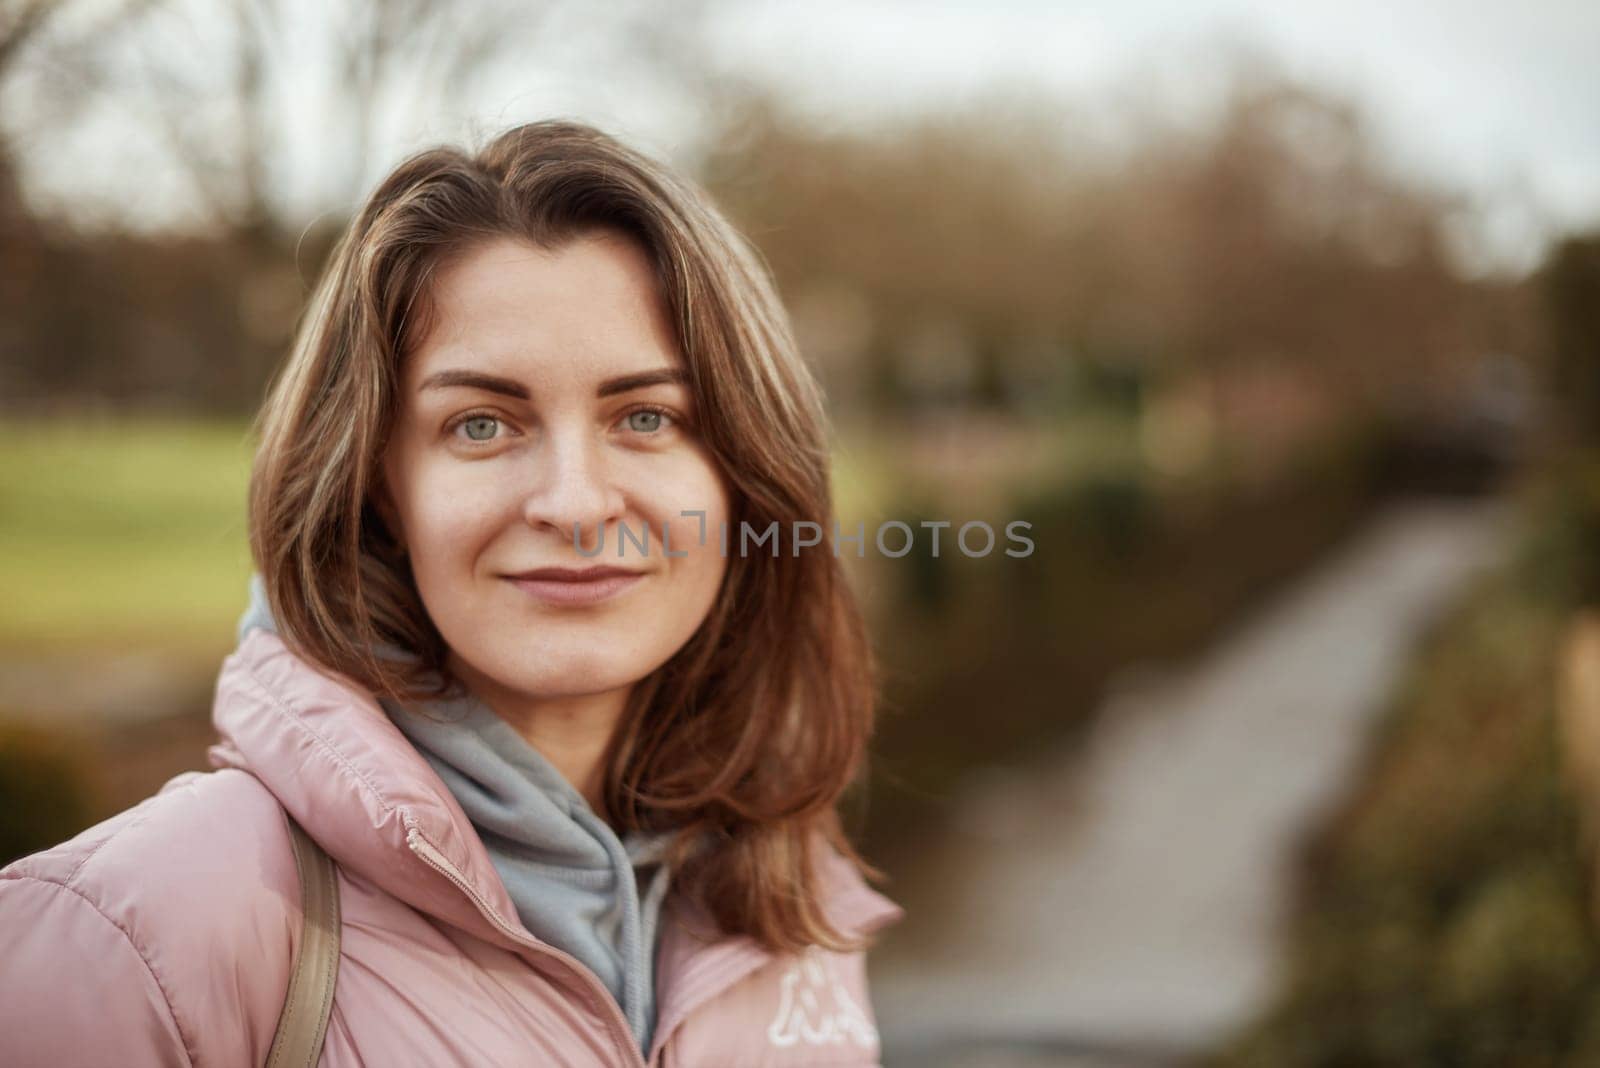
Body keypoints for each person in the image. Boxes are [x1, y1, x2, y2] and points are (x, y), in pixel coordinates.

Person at [0, 120, 902, 1067]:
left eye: (646, 416)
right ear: (380, 483)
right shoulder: (134, 933)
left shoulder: (796, 894)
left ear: (743, 474)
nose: (575, 503)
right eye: (481, 425)